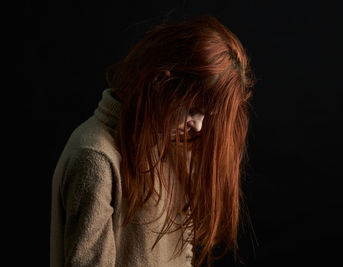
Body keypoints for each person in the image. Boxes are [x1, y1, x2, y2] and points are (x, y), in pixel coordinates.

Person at [50, 14, 257, 267]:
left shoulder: (177, 146)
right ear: (161, 82)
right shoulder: (95, 158)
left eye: (206, 116)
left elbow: (183, 255)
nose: (198, 125)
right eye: (193, 110)